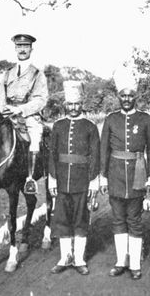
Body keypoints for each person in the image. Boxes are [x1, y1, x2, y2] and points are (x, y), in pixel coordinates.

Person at [99, 68, 150, 280]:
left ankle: (134, 264)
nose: (126, 99)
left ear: (135, 97)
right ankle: (120, 261)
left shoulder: (145, 120)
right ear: (118, 97)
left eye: (130, 95)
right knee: (117, 219)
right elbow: (104, 149)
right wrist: (103, 178)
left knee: (134, 219)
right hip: (115, 176)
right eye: (123, 95)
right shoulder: (111, 119)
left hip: (137, 175)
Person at [48, 80, 100, 276]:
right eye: (70, 104)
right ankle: (64, 258)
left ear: (82, 104)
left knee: (80, 219)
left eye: (77, 104)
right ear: (65, 105)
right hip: (61, 180)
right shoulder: (58, 125)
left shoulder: (90, 126)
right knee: (62, 219)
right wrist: (52, 179)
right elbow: (52, 154)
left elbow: (95, 156)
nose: (73, 108)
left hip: (82, 181)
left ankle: (79, 259)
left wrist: (94, 182)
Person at [0, 33, 48, 194]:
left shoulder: (38, 74)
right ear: (15, 49)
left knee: (34, 137)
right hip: (8, 115)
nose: (22, 49)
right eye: (19, 46)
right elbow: (0, 98)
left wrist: (20, 109)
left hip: (28, 116)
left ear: (31, 49)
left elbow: (41, 100)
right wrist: (1, 114)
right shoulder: (8, 73)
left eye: (25, 46)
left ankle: (30, 178)